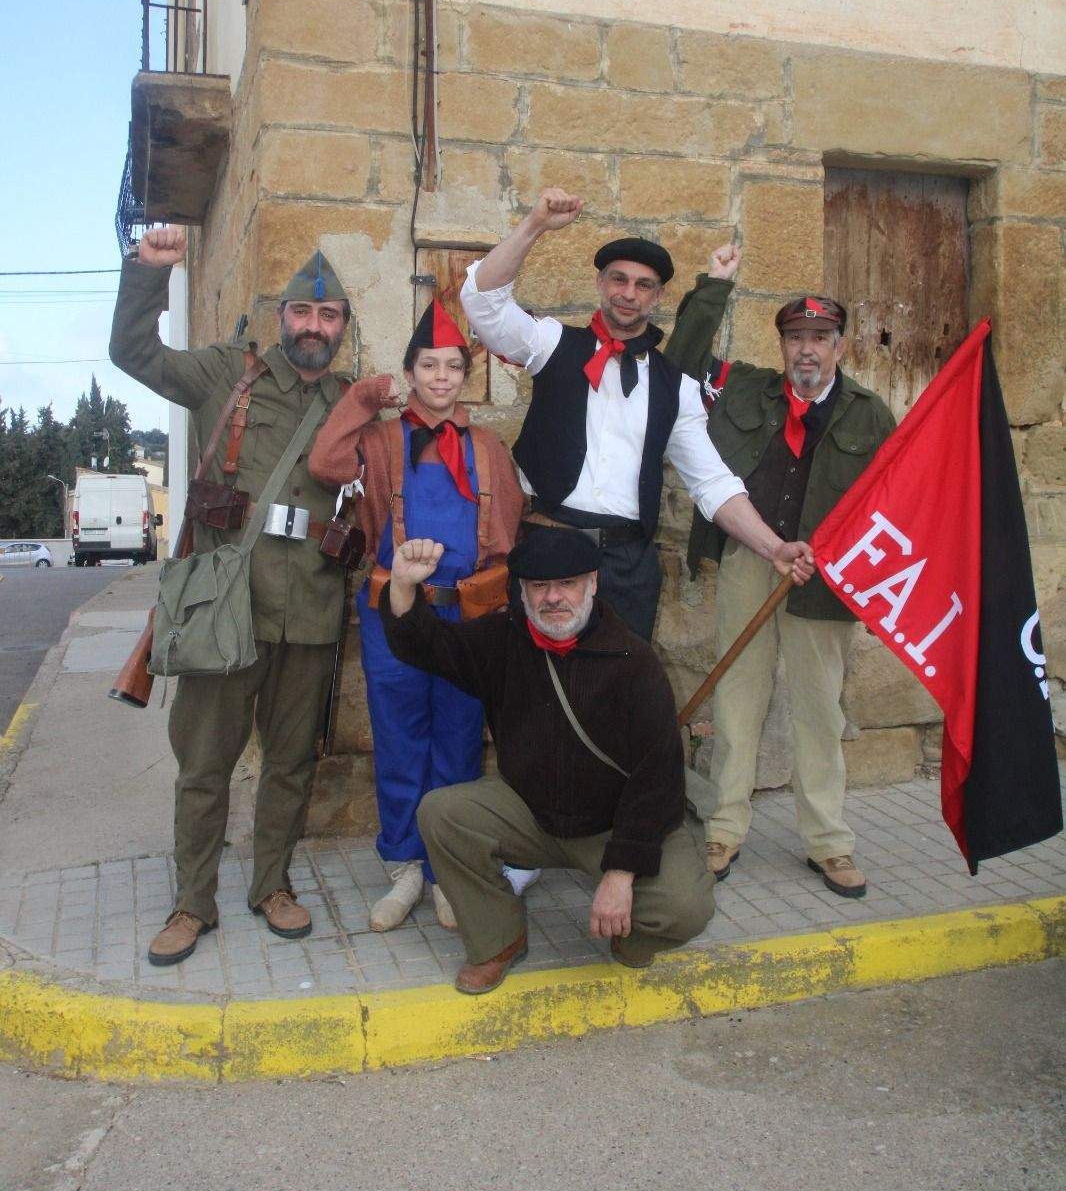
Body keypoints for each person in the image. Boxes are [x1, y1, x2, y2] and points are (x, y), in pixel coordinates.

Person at [109, 227, 352, 965]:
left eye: (331, 316)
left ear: (343, 327)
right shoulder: (228, 373)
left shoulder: (350, 401)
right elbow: (135, 355)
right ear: (282, 316)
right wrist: (147, 274)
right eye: (304, 314)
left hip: (309, 612)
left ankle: (271, 886)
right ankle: (193, 903)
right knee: (206, 765)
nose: (315, 328)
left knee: (289, 763)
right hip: (225, 609)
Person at [460, 188, 815, 640]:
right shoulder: (551, 344)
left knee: (620, 700)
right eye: (618, 279)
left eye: (643, 285)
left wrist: (775, 548)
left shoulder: (676, 387)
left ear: (658, 296)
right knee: (539, 695)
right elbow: (483, 302)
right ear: (601, 284)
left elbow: (713, 483)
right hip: (550, 547)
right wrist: (534, 225)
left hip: (628, 565)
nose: (629, 294)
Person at [379, 526, 716, 994]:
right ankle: (499, 939)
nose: (553, 598)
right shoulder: (503, 639)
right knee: (441, 814)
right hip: (532, 815)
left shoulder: (634, 661)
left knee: (686, 908)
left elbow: (657, 781)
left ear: (593, 585)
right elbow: (428, 646)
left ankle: (631, 938)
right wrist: (402, 584)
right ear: (522, 591)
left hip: (612, 827)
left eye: (567, 584)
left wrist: (620, 875)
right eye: (539, 586)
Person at [665, 243, 896, 897]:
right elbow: (678, 364)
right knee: (737, 699)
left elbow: (897, 500)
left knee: (819, 709)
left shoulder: (869, 414)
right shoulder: (744, 389)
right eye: (796, 336)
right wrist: (715, 285)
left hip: (822, 580)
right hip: (750, 560)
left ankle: (828, 840)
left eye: (820, 337)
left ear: (841, 347)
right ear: (783, 344)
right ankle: (725, 827)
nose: (807, 350)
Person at [308, 298, 525, 933]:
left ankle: (447, 871)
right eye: (428, 365)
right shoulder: (378, 441)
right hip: (391, 615)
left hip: (464, 621)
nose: (440, 378)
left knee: (458, 740)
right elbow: (323, 464)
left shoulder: (487, 447)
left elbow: (507, 533)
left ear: (466, 376)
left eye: (452, 367)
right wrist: (363, 400)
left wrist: (486, 591)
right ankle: (404, 867)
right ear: (411, 372)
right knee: (400, 739)